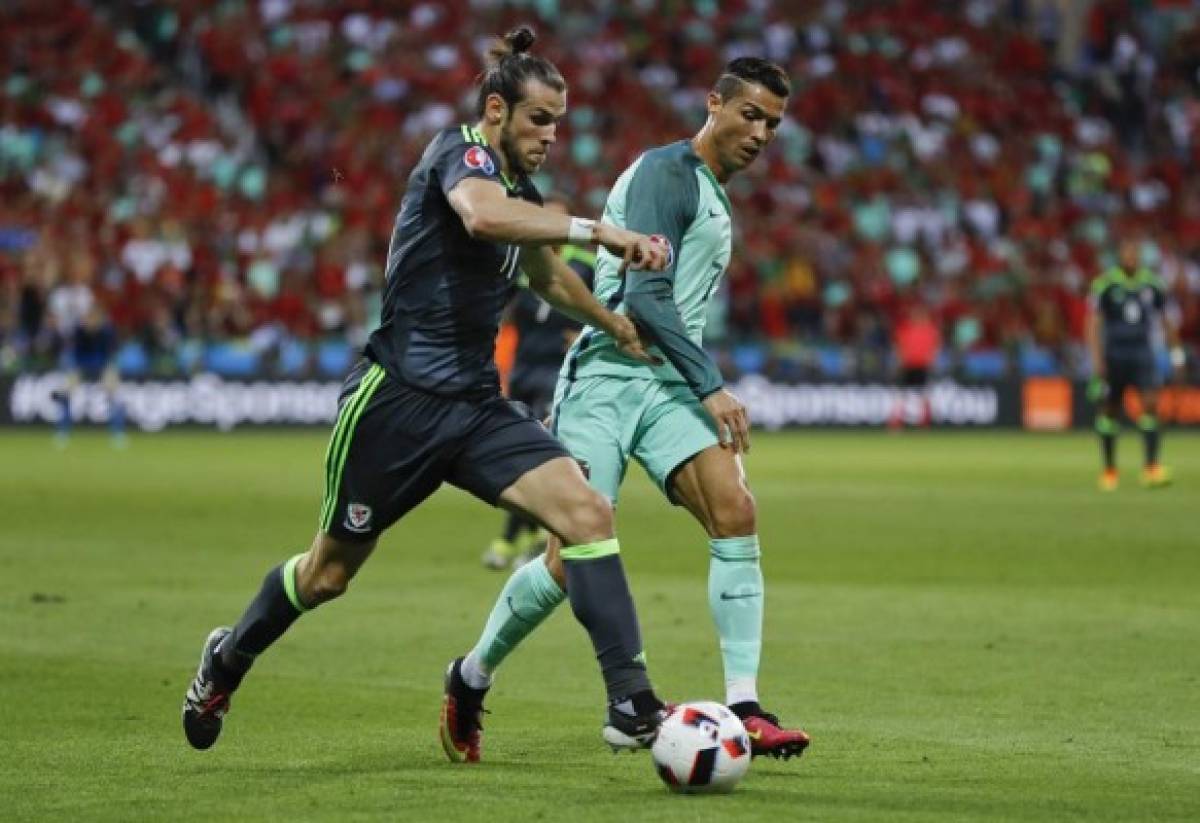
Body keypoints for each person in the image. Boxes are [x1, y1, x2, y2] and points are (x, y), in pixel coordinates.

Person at [182, 26, 673, 757]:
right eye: (540, 119)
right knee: (326, 576)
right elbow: (479, 214)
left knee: (586, 511)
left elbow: (543, 277)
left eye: (559, 125)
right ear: (499, 110)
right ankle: (227, 658)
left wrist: (612, 322)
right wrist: (595, 229)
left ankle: (631, 701)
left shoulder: (525, 195)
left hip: (476, 405)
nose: (550, 137)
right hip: (396, 402)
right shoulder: (461, 152)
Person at [442, 57, 811, 763]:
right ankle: (470, 675)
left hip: (665, 381)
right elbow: (644, 298)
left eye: (773, 122)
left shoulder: (707, 189)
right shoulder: (666, 174)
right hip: (608, 378)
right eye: (750, 114)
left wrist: (692, 378)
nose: (761, 132)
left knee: (736, 509)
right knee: (564, 559)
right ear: (714, 104)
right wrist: (711, 383)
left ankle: (745, 706)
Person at [482, 194, 596, 571]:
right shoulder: (523, 263)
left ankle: (510, 540)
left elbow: (607, 310)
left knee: (541, 451)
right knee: (519, 452)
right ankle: (531, 536)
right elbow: (501, 306)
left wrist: (585, 333)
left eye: (558, 220)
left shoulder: (587, 266)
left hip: (560, 373)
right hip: (524, 369)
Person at [1086, 237, 1186, 491]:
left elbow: (1166, 322)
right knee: (1110, 410)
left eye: (1135, 252)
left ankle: (1151, 468)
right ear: (1119, 255)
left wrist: (1176, 356)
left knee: (1151, 405)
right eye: (1126, 252)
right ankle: (1109, 470)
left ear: (1140, 256)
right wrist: (1096, 359)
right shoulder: (1105, 285)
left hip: (1143, 353)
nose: (1131, 257)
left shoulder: (1153, 284)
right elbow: (1093, 324)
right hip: (1114, 354)